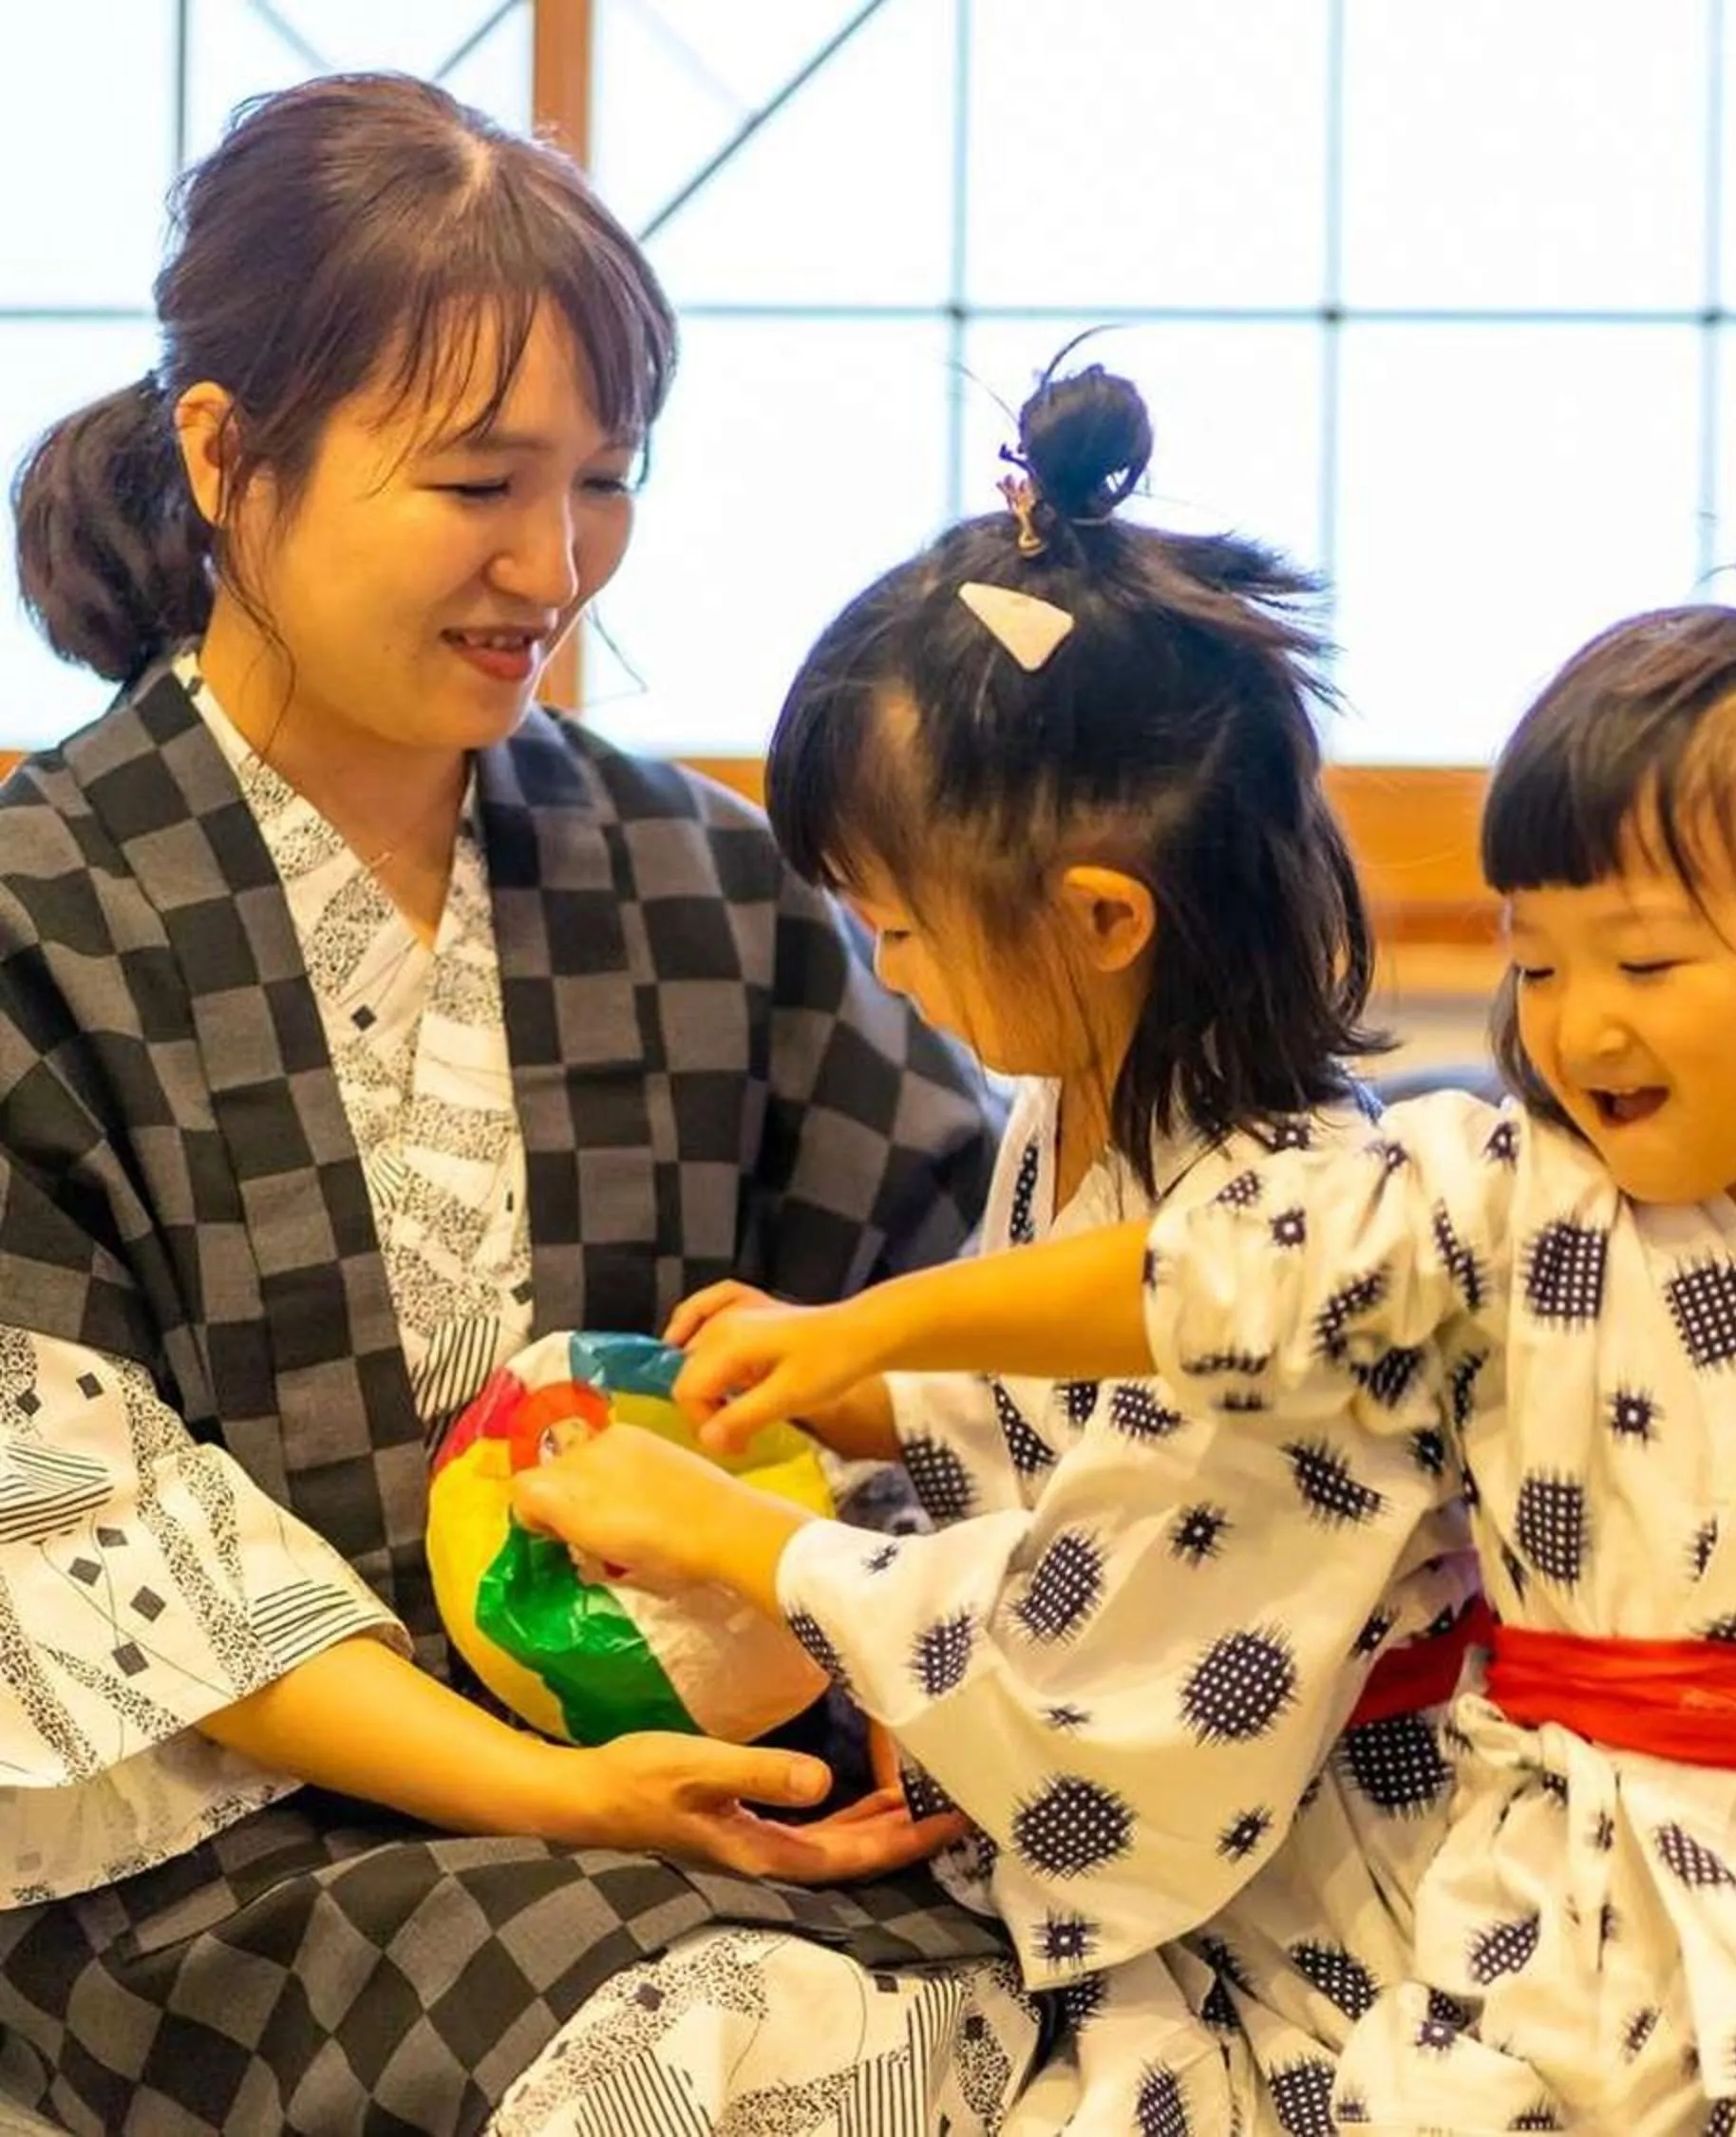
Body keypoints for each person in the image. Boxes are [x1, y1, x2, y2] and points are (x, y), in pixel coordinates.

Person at [599, 525, 1736, 2135]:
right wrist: (877, 1349)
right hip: (1555, 1880)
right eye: (1536, 964)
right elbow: (1195, 1291)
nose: (1576, 1025)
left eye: (1640, 961)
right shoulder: (1487, 1195)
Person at [0, 73, 1020, 2136]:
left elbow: (966, 1294)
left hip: (748, 1790)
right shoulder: (37, 917)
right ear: (229, 458)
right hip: (246, 1852)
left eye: (603, 485)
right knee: (747, 2070)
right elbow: (77, 1534)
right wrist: (567, 1790)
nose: (552, 568)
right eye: (476, 483)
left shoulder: (692, 879)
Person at [502, 357, 1483, 2133]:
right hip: (1136, 1861)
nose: (889, 973)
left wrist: (745, 1529)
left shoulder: (1308, 1244)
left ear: (1103, 917)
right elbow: (1061, 1437)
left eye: (903, 931)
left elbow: (1091, 1675)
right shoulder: (1077, 1105)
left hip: (1329, 1927)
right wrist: (876, 1392)